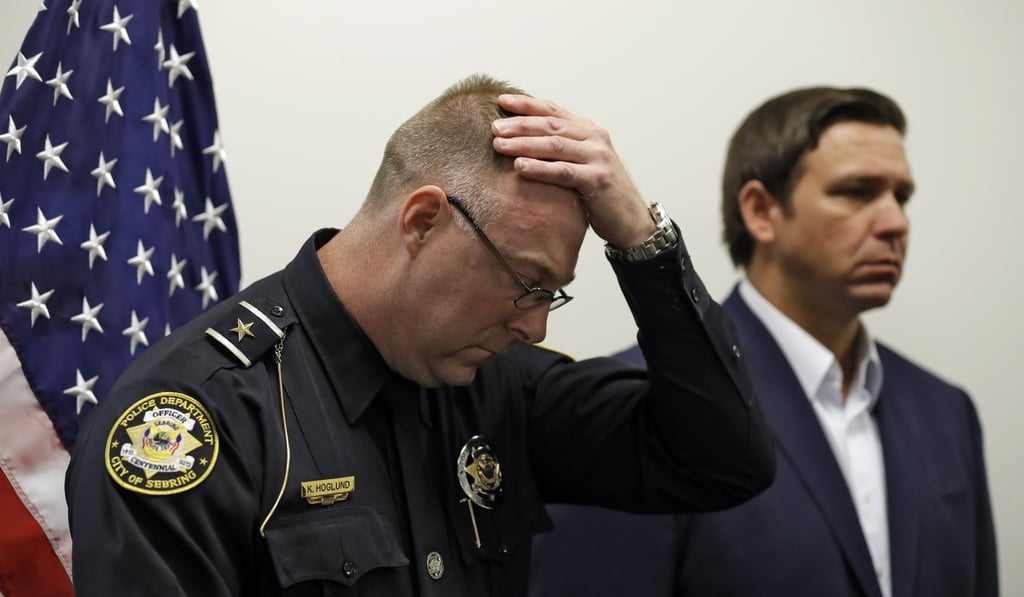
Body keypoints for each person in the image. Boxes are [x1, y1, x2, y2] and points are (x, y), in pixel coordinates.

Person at [65, 74, 775, 596]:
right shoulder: (198, 419)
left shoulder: (501, 387)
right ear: (422, 221)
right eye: (526, 282)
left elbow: (723, 460)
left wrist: (644, 243)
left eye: (551, 293)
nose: (534, 325)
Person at [529, 86, 999, 597]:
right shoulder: (642, 403)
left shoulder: (946, 411)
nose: (895, 223)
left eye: (900, 197)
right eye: (857, 192)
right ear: (760, 210)